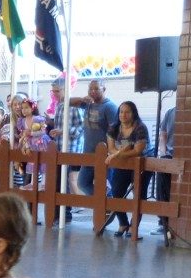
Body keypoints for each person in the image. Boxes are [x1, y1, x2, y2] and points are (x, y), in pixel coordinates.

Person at [106, 101, 152, 238]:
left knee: (139, 194)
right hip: (122, 164)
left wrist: (118, 154)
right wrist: (119, 153)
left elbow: (138, 150)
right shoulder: (113, 128)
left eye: (127, 112)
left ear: (133, 113)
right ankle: (123, 223)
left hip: (142, 164)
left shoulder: (140, 128)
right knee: (116, 191)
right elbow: (111, 148)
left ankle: (134, 226)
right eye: (121, 112)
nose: (123, 115)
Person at [73, 80, 119, 197]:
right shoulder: (88, 104)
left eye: (96, 89)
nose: (92, 91)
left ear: (104, 89)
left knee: (104, 184)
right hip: (88, 153)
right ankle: (104, 202)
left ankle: (109, 205)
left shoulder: (109, 107)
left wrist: (111, 151)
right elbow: (66, 101)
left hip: (104, 155)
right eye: (90, 89)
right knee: (82, 183)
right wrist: (82, 98)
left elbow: (115, 132)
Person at [48, 78, 83, 223]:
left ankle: (66, 212)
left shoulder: (74, 106)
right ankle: (58, 212)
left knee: (67, 181)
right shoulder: (59, 105)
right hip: (59, 147)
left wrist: (62, 131)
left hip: (71, 148)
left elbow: (81, 128)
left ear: (65, 89)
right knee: (57, 180)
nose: (55, 94)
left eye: (57, 91)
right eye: (53, 91)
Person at [152, 106, 176, 236]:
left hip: (184, 157)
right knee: (162, 188)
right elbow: (163, 134)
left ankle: (171, 222)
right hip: (169, 155)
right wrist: (163, 153)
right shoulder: (170, 112)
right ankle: (163, 222)